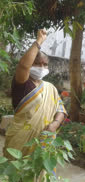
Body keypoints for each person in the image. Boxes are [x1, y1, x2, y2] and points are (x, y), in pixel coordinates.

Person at [4, 29, 67, 157]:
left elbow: (61, 109)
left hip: (43, 142)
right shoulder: (22, 83)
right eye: (37, 64)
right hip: (20, 141)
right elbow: (23, 66)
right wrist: (39, 41)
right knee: (17, 172)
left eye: (45, 64)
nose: (42, 67)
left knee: (39, 174)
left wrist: (55, 124)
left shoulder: (50, 88)